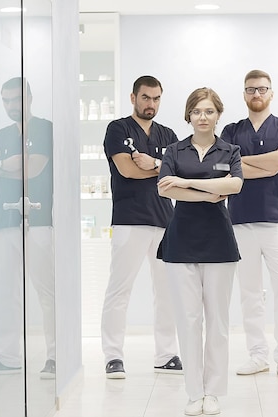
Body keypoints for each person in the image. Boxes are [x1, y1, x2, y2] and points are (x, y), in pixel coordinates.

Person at [157, 87, 243, 416]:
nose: (202, 117)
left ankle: (214, 392)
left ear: (218, 115)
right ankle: (195, 393)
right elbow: (165, 189)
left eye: (208, 111)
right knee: (188, 321)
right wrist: (209, 191)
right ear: (188, 116)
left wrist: (186, 183)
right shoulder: (174, 150)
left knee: (218, 322)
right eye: (197, 111)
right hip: (180, 243)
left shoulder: (230, 149)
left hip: (220, 243)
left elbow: (234, 185)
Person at [0, 77, 56, 379]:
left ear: (29, 97)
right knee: (5, 292)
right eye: (5, 100)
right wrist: (9, 164)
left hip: (37, 220)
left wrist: (4, 167)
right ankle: (7, 357)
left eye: (16, 99)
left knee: (46, 291)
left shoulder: (45, 128)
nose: (10, 106)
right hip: (2, 221)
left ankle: (55, 357)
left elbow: (34, 169)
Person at [220, 69, 278, 379]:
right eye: (251, 89)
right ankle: (257, 355)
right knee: (250, 292)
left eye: (262, 89)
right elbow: (223, 169)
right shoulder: (230, 130)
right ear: (244, 94)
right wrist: (269, 162)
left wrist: (243, 164)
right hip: (240, 221)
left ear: (271, 93)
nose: (257, 94)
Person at [101, 75, 181, 378]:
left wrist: (155, 164)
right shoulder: (118, 129)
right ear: (133, 97)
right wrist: (161, 168)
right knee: (119, 290)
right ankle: (113, 356)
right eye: (146, 97)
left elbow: (179, 173)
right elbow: (127, 169)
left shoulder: (168, 134)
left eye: (156, 98)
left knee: (167, 292)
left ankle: (166, 354)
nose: (151, 104)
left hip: (165, 221)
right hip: (129, 220)